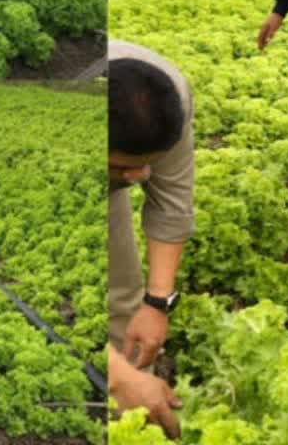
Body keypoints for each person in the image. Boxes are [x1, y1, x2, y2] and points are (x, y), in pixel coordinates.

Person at [107, 40, 197, 439]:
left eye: (149, 164)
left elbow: (172, 204)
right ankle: (118, 394)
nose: (141, 177)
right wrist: (117, 377)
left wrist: (157, 302)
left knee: (127, 304)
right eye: (123, 168)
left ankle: (135, 411)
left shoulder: (170, 103)